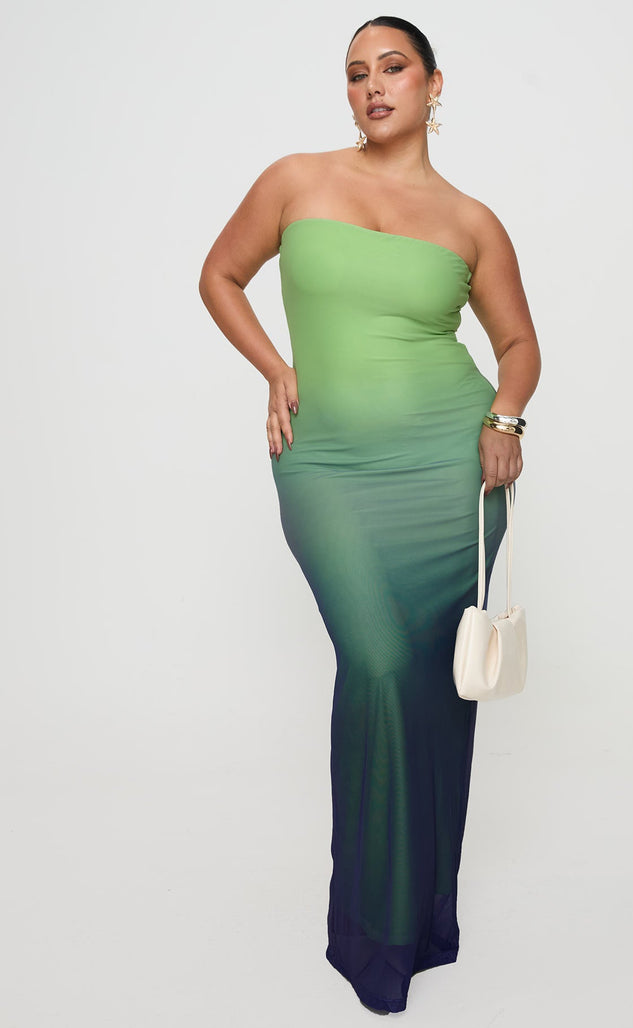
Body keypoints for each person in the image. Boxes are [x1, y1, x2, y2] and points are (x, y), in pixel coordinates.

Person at [198, 15, 541, 1015]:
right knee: (380, 663)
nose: (373, 86)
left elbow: (519, 343)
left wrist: (506, 417)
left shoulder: (472, 221)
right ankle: (372, 928)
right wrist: (276, 368)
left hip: (450, 471)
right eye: (356, 74)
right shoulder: (295, 181)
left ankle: (424, 917)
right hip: (329, 465)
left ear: (435, 84)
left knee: (431, 688)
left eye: (393, 68)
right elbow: (219, 274)